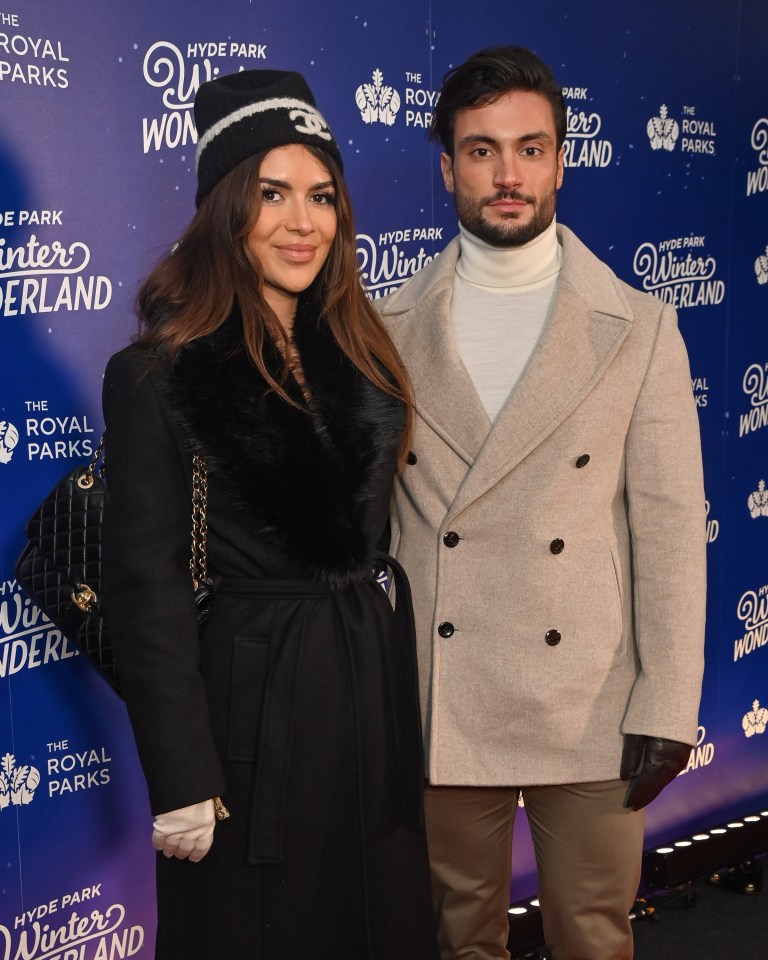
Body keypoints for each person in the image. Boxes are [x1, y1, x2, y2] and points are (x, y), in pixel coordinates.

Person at [378, 46, 706, 960]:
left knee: (594, 938)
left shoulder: (639, 327)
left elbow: (673, 528)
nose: (508, 173)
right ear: (448, 167)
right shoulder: (381, 327)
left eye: (530, 148)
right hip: (443, 698)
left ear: (562, 160)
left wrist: (669, 704)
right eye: (482, 151)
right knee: (457, 939)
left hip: (592, 702)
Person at [102, 70, 439, 960]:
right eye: (272, 195)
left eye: (321, 196)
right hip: (252, 711)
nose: (303, 223)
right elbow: (147, 587)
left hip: (368, 691)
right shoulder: (157, 375)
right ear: (225, 210)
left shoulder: (362, 352)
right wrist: (180, 777)